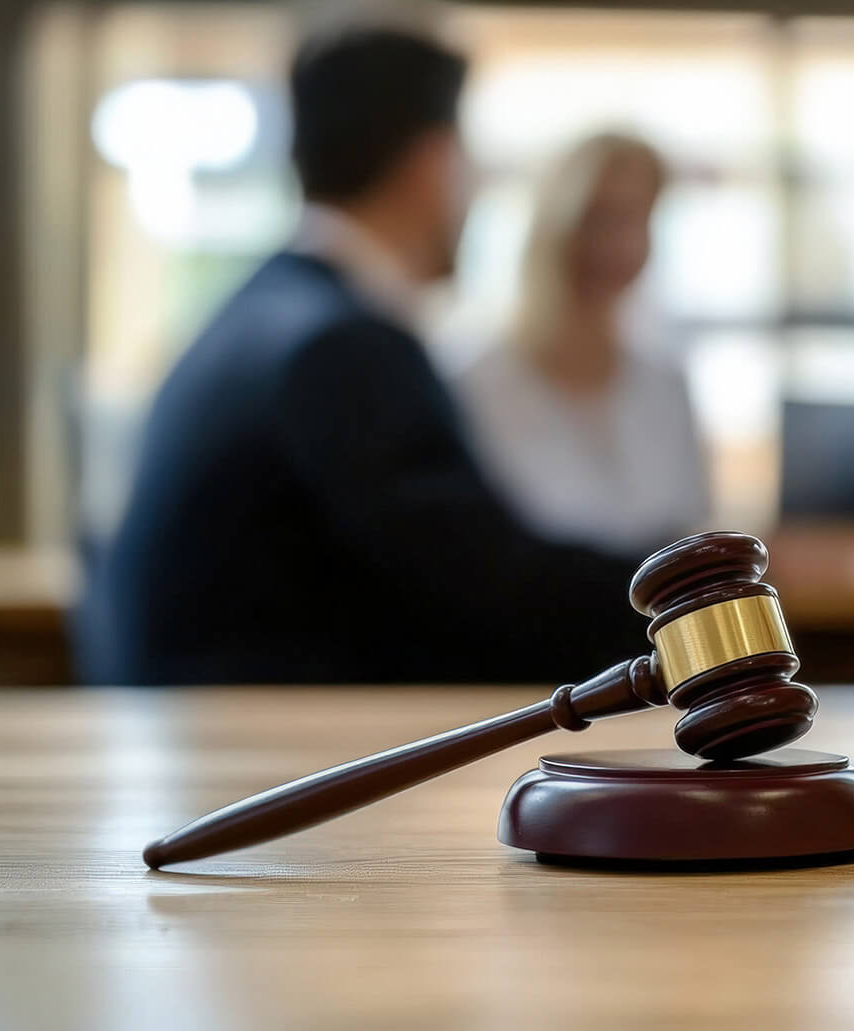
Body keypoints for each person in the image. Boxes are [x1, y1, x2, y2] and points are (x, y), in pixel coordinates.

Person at [83, 26, 658, 684]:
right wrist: (682, 592)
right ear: (430, 163)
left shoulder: (262, 312)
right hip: (268, 756)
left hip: (216, 733)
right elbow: (480, 579)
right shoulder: (339, 347)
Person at [445, 133, 709, 552]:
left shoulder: (665, 384)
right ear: (554, 222)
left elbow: (690, 532)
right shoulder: (474, 385)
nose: (617, 244)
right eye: (598, 218)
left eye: (636, 218)